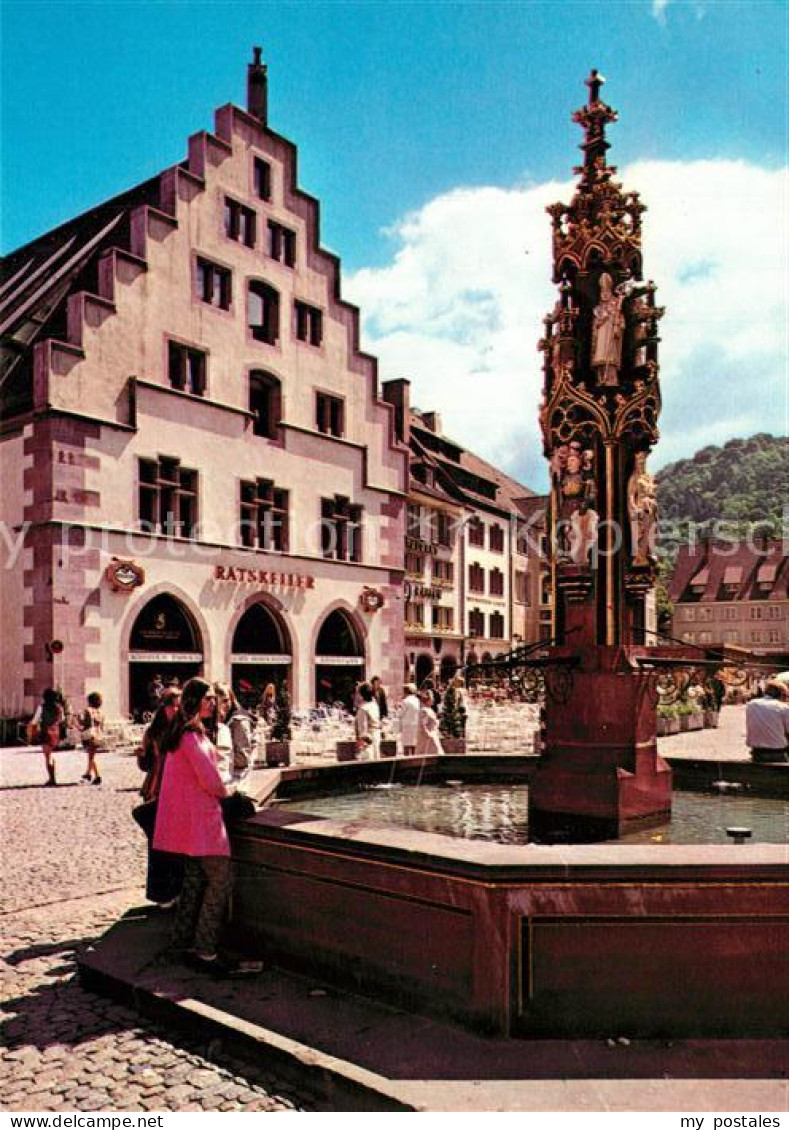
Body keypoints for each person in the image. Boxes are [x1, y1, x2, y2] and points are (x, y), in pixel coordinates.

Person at [153, 678, 253, 976]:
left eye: (214, 698)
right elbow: (212, 781)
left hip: (188, 825)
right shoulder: (191, 737)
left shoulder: (180, 733)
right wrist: (232, 791)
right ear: (195, 701)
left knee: (194, 883)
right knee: (221, 882)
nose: (213, 702)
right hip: (203, 823)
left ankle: (182, 943)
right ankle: (205, 950)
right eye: (208, 698)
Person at [137, 687, 183, 906]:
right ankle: (161, 893)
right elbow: (145, 765)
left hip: (174, 790)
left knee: (171, 844)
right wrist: (143, 755)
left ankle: (172, 889)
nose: (178, 709)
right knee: (157, 845)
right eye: (175, 705)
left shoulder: (183, 730)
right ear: (164, 708)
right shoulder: (154, 732)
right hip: (157, 790)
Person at [214, 683, 255, 785]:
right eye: (218, 701)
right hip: (225, 777)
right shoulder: (220, 719)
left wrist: (216, 758)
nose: (224, 705)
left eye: (226, 700)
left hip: (237, 780)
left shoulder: (238, 721)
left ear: (232, 699)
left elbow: (243, 759)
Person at [745, 682, 789, 763]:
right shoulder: (783, 708)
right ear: (781, 694)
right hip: (778, 752)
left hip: (757, 752)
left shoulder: (751, 705)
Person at [32, 688, 64, 787]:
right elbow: (62, 719)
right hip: (55, 732)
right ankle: (52, 777)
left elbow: (35, 720)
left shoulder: (42, 707)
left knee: (48, 756)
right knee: (50, 755)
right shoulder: (59, 707)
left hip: (46, 732)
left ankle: (52, 778)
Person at [79, 691, 105, 785]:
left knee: (91, 757)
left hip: (90, 735)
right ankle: (89, 774)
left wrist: (79, 721)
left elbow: (86, 723)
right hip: (98, 735)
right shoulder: (101, 713)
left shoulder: (88, 711)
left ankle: (95, 776)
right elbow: (102, 726)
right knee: (91, 756)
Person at [354, 682, 381, 759]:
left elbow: (363, 730)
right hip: (376, 735)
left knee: (368, 762)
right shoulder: (374, 705)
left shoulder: (363, 709)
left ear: (361, 695)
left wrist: (362, 744)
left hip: (368, 740)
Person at [416, 689, 444, 756]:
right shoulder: (424, 710)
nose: (433, 700)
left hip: (433, 735)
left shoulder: (430, 709)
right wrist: (428, 735)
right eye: (432, 698)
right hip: (428, 738)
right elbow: (422, 725)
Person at [399, 683, 420, 757]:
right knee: (414, 745)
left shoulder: (405, 701)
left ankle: (406, 760)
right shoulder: (417, 700)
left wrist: (397, 708)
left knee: (406, 745)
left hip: (407, 725)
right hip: (415, 724)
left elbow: (400, 714)